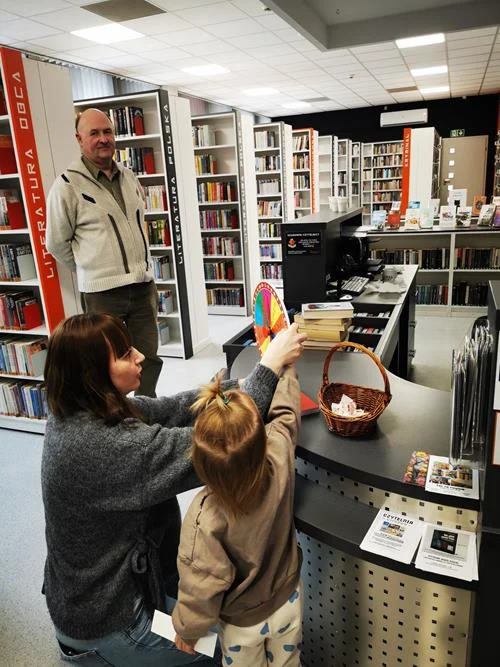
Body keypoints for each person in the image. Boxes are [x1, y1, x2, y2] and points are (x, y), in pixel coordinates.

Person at [41, 312, 306, 666]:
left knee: (210, 616)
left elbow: (174, 409)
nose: (140, 356)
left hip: (123, 588)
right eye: (124, 354)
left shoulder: (83, 407)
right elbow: (223, 446)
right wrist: (271, 368)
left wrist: (239, 387)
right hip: (112, 620)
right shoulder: (105, 448)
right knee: (228, 646)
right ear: (93, 376)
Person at [172, 358, 304, 666]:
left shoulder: (205, 516)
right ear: (260, 441)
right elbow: (286, 416)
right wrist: (286, 369)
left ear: (200, 464)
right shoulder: (278, 456)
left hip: (242, 625)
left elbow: (202, 582)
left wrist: (187, 631)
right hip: (288, 598)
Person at [46, 107, 162, 397]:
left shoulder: (129, 177)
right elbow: (56, 243)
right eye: (94, 133)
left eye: (107, 131)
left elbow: (138, 224)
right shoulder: (67, 186)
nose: (103, 138)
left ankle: (145, 411)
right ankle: (112, 415)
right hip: (102, 293)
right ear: (79, 139)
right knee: (104, 363)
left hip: (142, 286)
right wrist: (90, 267)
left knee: (148, 358)